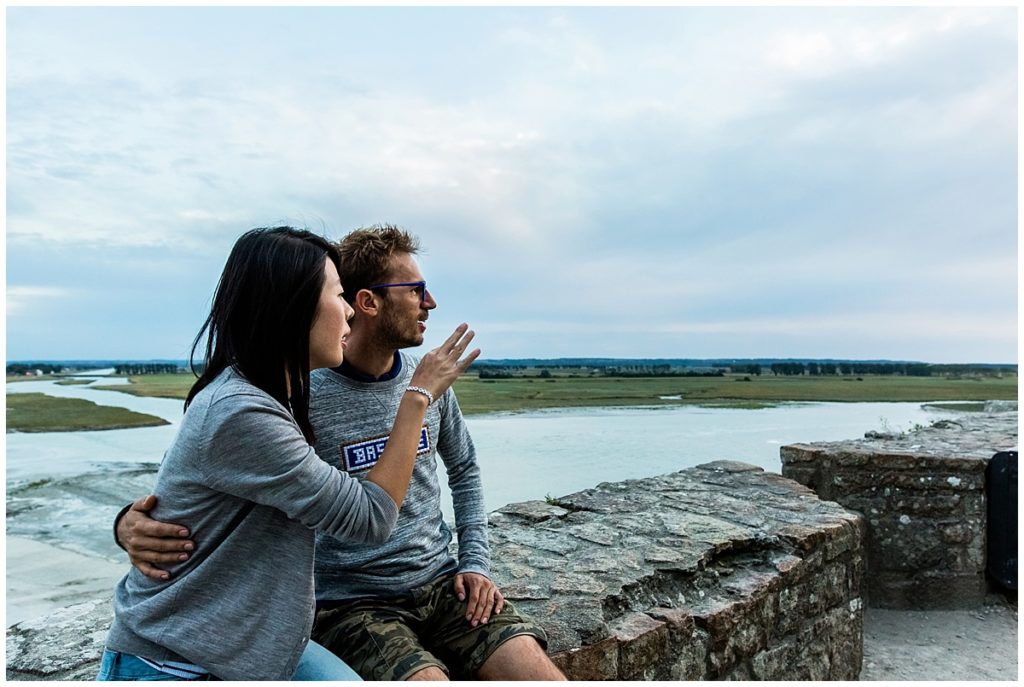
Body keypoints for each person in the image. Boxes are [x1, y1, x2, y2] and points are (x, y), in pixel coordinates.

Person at [118, 225, 566, 681]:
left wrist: (475, 562)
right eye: (339, 296)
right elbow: (366, 517)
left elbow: (464, 468)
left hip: (434, 582)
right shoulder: (272, 402)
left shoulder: (280, 390)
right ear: (298, 309)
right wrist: (416, 398)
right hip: (333, 607)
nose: (349, 312)